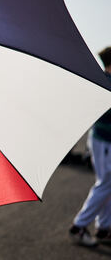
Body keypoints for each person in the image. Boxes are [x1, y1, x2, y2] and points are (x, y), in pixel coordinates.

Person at [69, 46, 111, 246]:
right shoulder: (105, 83)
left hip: (102, 140)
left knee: (107, 185)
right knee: (105, 184)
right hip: (104, 140)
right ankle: (79, 226)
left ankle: (104, 228)